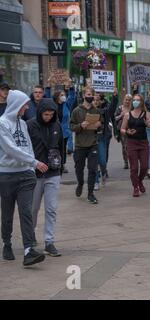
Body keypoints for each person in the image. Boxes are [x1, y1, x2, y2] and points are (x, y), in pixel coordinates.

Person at [0, 90, 48, 266]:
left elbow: (28, 147)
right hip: (6, 175)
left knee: (26, 211)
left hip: (25, 176)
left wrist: (30, 167)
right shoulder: (2, 124)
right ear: (16, 105)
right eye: (24, 104)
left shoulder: (23, 123)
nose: (27, 107)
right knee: (7, 213)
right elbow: (10, 148)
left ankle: (29, 250)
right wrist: (34, 162)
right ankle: (7, 243)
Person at [27, 99, 64, 257]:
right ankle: (30, 236)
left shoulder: (56, 125)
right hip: (35, 174)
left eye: (51, 114)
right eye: (46, 114)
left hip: (53, 173)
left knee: (51, 209)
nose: (48, 117)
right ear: (40, 112)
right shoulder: (30, 125)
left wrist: (60, 166)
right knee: (33, 209)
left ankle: (49, 241)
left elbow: (61, 145)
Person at [70, 87, 102, 204]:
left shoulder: (96, 111)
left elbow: (101, 125)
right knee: (79, 168)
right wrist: (80, 126)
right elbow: (71, 127)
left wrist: (99, 125)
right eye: (88, 94)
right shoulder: (76, 111)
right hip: (80, 145)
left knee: (93, 169)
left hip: (93, 143)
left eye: (91, 94)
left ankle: (90, 193)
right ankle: (80, 183)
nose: (90, 96)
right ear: (84, 95)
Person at [121, 94, 150, 197]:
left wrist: (149, 124)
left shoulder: (146, 114)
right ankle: (135, 187)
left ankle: (140, 181)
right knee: (134, 168)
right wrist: (127, 132)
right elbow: (122, 129)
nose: (135, 102)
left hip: (143, 143)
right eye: (134, 100)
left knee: (144, 166)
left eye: (138, 100)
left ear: (141, 102)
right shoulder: (127, 115)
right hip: (131, 143)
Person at [52, 87, 76, 173]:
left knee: (63, 149)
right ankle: (55, 163)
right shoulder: (52, 104)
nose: (64, 96)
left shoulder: (67, 104)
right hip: (54, 131)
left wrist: (71, 88)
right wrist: (47, 88)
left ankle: (62, 164)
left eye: (64, 95)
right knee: (55, 148)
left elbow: (72, 97)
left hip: (65, 131)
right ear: (57, 96)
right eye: (61, 95)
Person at [115, 94, 132, 169]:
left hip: (132, 129)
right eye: (126, 99)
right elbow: (115, 119)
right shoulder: (119, 108)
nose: (127, 101)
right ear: (123, 100)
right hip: (123, 130)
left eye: (129, 100)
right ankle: (126, 162)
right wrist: (121, 115)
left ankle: (132, 160)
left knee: (131, 146)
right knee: (125, 146)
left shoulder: (133, 108)